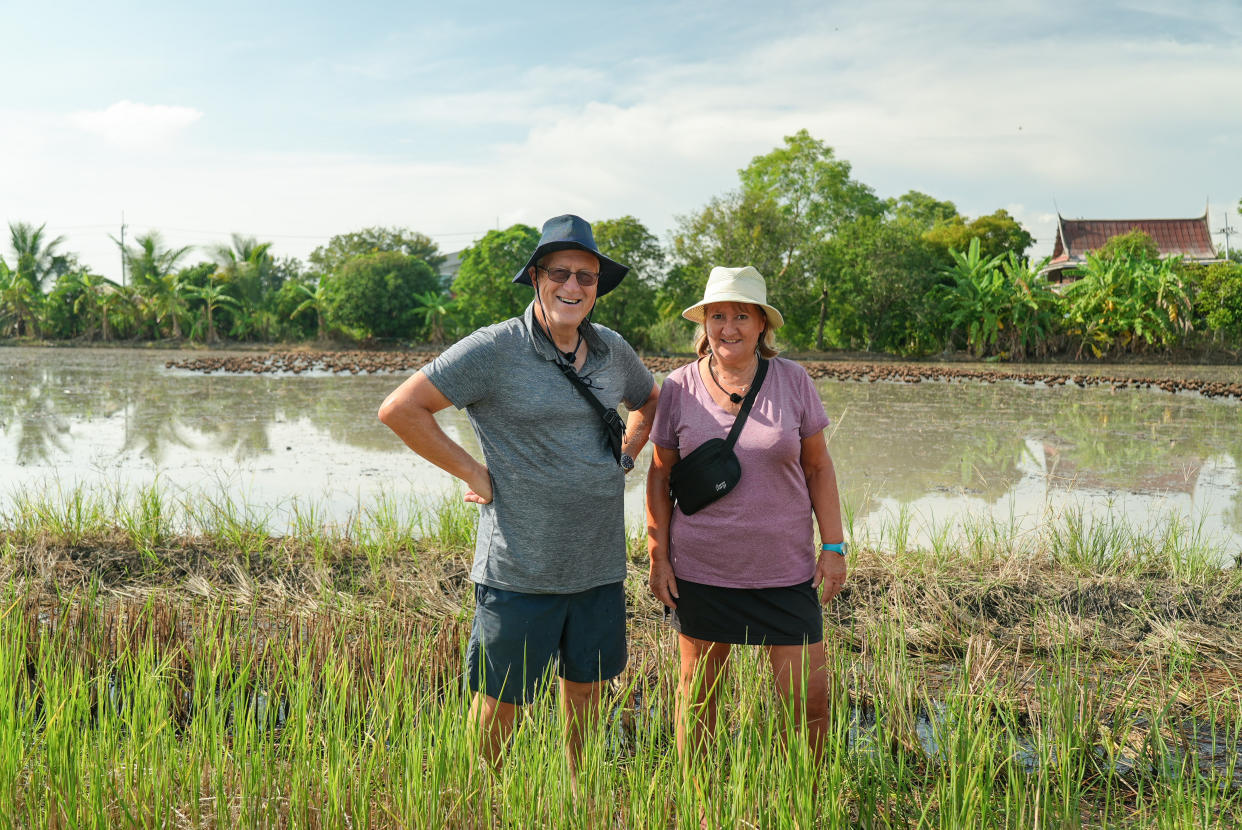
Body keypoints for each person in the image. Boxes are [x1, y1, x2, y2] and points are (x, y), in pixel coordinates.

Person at [378, 215, 659, 773]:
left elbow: (649, 402)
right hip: (519, 567)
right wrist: (472, 473)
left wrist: (625, 458)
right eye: (560, 273)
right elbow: (400, 410)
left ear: (598, 287)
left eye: (587, 276)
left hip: (598, 564)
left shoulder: (612, 351)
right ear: (535, 277)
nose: (573, 287)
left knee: (586, 688)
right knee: (502, 699)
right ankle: (483, 795)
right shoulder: (494, 349)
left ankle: (575, 787)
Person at [645, 265, 847, 765]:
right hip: (703, 572)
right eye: (717, 315)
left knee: (810, 705)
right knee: (699, 702)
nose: (728, 326)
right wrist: (658, 556)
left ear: (762, 325)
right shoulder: (678, 387)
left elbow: (819, 467)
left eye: (741, 315)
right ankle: (702, 808)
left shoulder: (793, 381)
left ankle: (803, 805)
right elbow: (658, 475)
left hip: (785, 573)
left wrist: (835, 547)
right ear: (704, 323)